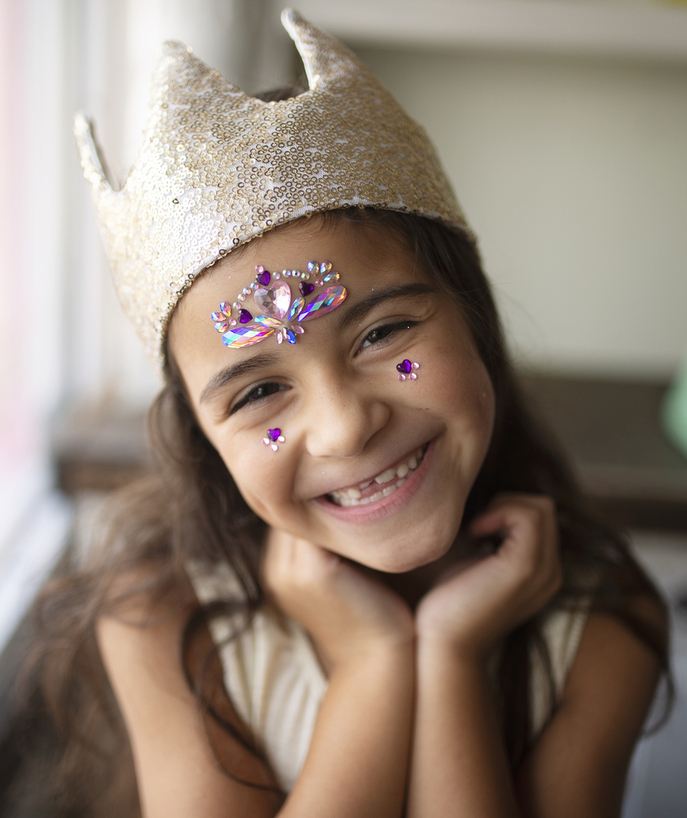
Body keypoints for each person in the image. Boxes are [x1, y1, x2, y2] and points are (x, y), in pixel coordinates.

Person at [36, 9, 669, 818]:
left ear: (473, 315)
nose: (344, 427)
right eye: (259, 391)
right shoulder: (160, 614)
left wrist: (452, 658)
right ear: (202, 436)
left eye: (384, 333)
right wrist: (374, 663)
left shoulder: (600, 621)